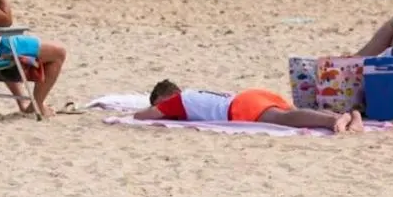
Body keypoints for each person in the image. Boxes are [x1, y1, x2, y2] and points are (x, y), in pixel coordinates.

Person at [134, 79, 364, 133]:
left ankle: (333, 120)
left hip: (241, 105)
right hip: (252, 95)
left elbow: (144, 116)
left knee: (283, 119)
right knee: (294, 114)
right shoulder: (195, 96)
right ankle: (348, 115)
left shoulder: (178, 100)